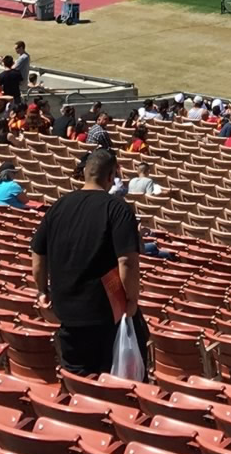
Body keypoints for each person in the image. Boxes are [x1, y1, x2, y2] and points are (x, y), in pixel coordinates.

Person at [31, 149, 146, 377]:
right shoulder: (117, 208)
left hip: (66, 312)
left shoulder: (58, 206)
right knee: (116, 382)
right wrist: (131, 300)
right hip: (104, 313)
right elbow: (127, 262)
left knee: (78, 378)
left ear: (84, 173)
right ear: (112, 175)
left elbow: (37, 254)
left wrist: (42, 291)